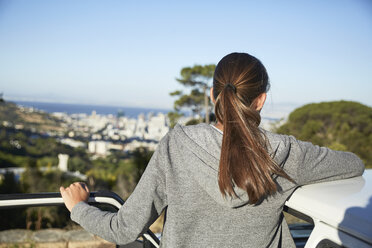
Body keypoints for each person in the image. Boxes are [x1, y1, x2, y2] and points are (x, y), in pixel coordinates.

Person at [60, 52, 365, 247]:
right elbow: (353, 165)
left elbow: (124, 229)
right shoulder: (286, 153)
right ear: (260, 100)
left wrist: (79, 208)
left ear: (212, 95)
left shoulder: (176, 146)